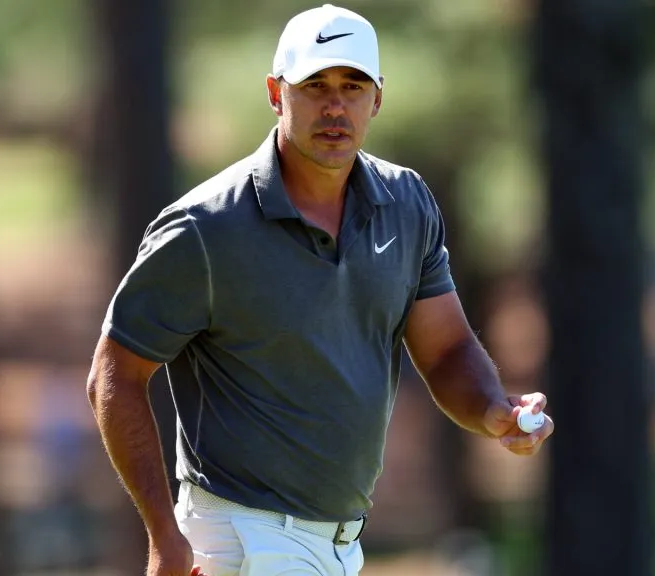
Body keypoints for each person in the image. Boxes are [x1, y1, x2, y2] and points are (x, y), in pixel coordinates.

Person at [85, 4, 554, 576]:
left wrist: (493, 412)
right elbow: (115, 375)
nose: (335, 105)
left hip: (338, 545)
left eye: (352, 86)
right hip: (242, 539)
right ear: (276, 93)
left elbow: (447, 348)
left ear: (377, 98)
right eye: (314, 86)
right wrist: (163, 535)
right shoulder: (206, 228)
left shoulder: (405, 204)